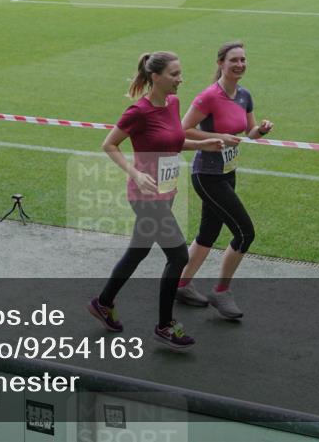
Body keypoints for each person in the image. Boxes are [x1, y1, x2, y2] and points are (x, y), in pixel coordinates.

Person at [88, 52, 222, 351]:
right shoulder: (138, 111)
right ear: (155, 77)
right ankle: (164, 325)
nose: (180, 79)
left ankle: (103, 302)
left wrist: (203, 144)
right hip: (146, 198)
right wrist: (135, 173)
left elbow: (174, 141)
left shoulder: (173, 103)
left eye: (180, 73)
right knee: (178, 256)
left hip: (166, 192)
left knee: (138, 251)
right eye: (174, 74)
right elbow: (109, 144)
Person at [175, 42, 273, 319]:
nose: (240, 64)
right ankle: (221, 291)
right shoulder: (209, 97)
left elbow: (249, 132)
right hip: (207, 175)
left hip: (228, 173)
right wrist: (216, 138)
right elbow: (183, 130)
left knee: (208, 232)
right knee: (245, 233)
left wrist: (261, 130)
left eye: (243, 60)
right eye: (234, 60)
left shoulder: (244, 95)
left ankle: (181, 285)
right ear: (220, 63)